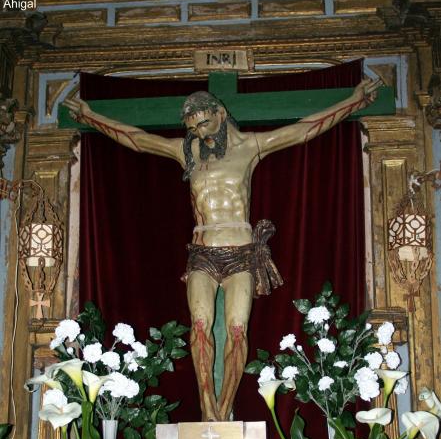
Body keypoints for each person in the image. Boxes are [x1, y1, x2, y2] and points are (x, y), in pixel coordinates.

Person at [64, 77, 380, 421]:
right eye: (192, 128)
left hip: (241, 253)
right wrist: (90, 116)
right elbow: (137, 140)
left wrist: (354, 101)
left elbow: (303, 130)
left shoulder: (251, 146)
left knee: (237, 330)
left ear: (220, 113)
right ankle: (207, 407)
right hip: (202, 253)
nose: (199, 133)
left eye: (204, 123)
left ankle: (225, 406)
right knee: (200, 326)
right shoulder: (187, 151)